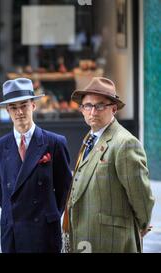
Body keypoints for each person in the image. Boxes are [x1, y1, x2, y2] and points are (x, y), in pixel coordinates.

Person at [65, 77, 155, 253]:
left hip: (113, 240)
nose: (93, 111)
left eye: (100, 106)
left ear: (113, 109)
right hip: (85, 240)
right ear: (82, 109)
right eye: (88, 106)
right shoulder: (90, 138)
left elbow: (141, 196)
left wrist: (141, 226)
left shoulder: (125, 143)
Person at [0, 78, 72, 253]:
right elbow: (0, 192)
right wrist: (12, 213)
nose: (19, 112)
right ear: (7, 110)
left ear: (33, 106)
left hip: (44, 229)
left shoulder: (55, 143)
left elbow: (65, 186)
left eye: (24, 105)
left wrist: (50, 214)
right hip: (13, 228)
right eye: (13, 107)